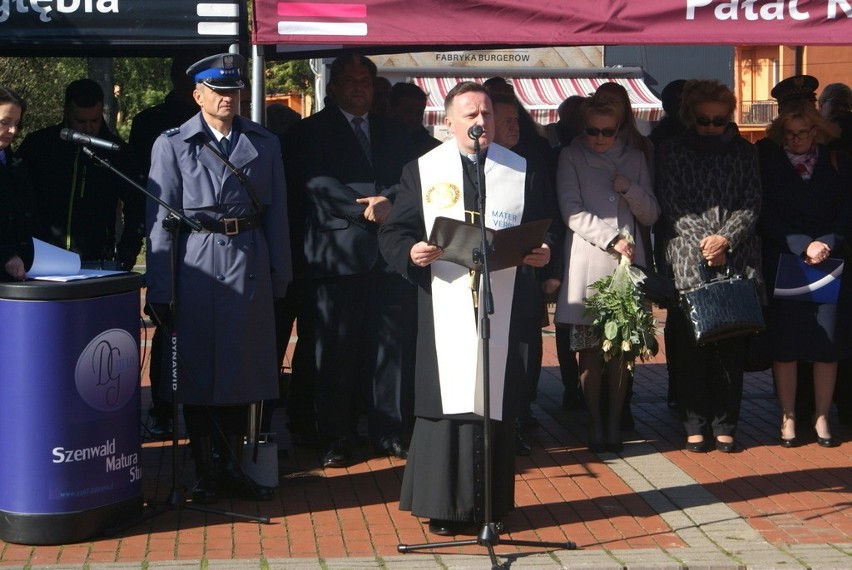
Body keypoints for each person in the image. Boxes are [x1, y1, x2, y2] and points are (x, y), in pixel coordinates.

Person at [378, 81, 552, 536]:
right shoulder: (423, 170)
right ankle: (443, 506)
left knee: (493, 396)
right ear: (448, 122)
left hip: (502, 301)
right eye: (471, 115)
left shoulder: (519, 170)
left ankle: (489, 504)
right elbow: (394, 232)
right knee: (448, 398)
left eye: (487, 115)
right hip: (445, 302)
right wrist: (411, 252)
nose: (480, 122)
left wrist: (543, 250)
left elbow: (543, 225)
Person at [145, 52, 292, 504]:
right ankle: (205, 467)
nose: (229, 99)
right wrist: (163, 288)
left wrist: (280, 272)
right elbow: (159, 220)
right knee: (198, 371)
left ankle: (234, 466)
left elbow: (277, 213)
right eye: (220, 91)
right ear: (198, 95)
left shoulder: (264, 142)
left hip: (248, 258)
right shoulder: (172, 144)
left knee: (243, 371)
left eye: (235, 91)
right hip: (198, 263)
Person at [283, 52, 416, 468]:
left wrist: (390, 202)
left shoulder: (395, 132)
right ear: (334, 86)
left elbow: (412, 177)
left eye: (366, 81)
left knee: (389, 349)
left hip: (389, 254)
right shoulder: (309, 133)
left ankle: (388, 430)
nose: (359, 88)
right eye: (351, 81)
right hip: (336, 256)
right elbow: (316, 184)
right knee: (335, 351)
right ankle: (336, 435)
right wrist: (363, 208)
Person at [656, 79, 762, 454]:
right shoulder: (671, 152)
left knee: (730, 347)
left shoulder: (745, 153)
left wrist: (726, 240)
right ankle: (694, 424)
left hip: (736, 258)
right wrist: (706, 242)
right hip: (688, 258)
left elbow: (752, 202)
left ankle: (726, 424)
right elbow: (671, 202)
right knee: (690, 348)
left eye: (720, 121)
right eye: (705, 120)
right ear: (690, 116)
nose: (713, 127)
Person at [553, 92, 659, 453]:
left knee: (622, 350)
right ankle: (594, 420)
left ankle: (615, 419)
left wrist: (630, 189)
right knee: (590, 350)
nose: (598, 138)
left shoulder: (635, 158)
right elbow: (570, 209)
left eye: (607, 131)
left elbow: (651, 215)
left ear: (619, 128)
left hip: (627, 267)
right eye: (591, 130)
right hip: (589, 262)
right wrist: (611, 237)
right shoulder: (571, 155)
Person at [757, 101, 852, 448]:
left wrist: (827, 242)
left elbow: (848, 211)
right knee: (786, 345)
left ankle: (823, 416)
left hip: (829, 260)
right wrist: (801, 245)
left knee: (827, 345)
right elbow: (763, 213)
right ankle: (789, 416)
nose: (796, 140)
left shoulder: (837, 162)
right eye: (789, 134)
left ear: (817, 131)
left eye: (803, 133)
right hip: (786, 259)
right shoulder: (769, 164)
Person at [130, 52, 205, 441]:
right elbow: (139, 181)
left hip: (208, 243)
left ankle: (204, 415)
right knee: (166, 325)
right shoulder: (151, 124)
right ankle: (160, 408)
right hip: (168, 232)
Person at [490, 92, 561, 455]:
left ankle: (518, 419)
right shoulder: (469, 165)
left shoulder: (531, 165)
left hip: (523, 278)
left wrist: (548, 250)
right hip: (482, 282)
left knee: (523, 353)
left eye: (516, 119)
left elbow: (549, 217)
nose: (514, 126)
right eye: (505, 120)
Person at [17, 78, 145, 270]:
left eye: (95, 120)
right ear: (66, 111)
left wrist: (129, 249)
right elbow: (16, 197)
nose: (88, 128)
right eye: (80, 121)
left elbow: (137, 202)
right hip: (42, 256)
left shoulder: (117, 152)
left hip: (96, 259)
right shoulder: (38, 145)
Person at [648, 79, 687, 410]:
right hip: (670, 235)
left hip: (668, 235)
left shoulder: (658, 136)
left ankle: (679, 385)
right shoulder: (662, 139)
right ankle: (681, 384)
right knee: (678, 311)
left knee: (677, 312)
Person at [0, 86, 34, 282]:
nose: (12, 130)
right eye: (5, 122)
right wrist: (5, 256)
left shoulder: (17, 164)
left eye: (17, 123)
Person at [387, 81, 441, 158]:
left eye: (419, 113)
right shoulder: (377, 142)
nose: (414, 119)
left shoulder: (435, 150)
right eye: (408, 112)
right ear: (392, 110)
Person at [818, 82, 852, 154]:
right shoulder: (808, 128)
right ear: (821, 103)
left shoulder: (848, 129)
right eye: (836, 103)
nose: (841, 109)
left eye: (846, 106)